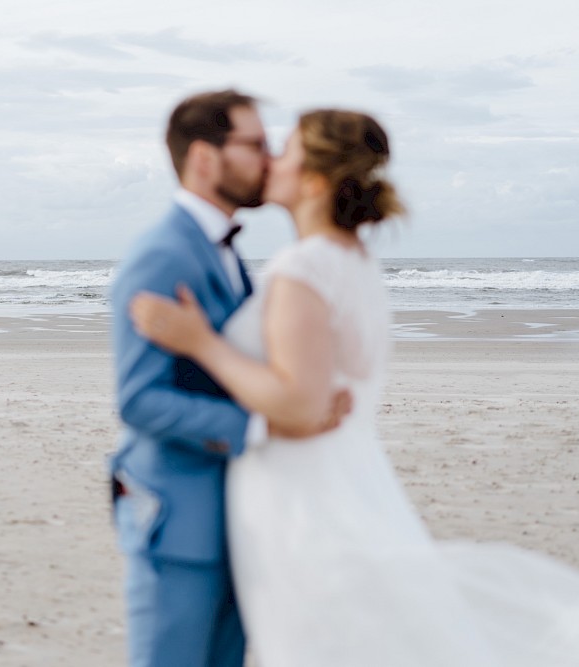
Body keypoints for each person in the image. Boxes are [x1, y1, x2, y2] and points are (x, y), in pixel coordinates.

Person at [129, 109, 579, 666]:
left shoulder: (301, 270)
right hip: (348, 477)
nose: (270, 159)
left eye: (284, 150)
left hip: (298, 495)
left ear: (315, 179)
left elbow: (299, 403)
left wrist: (203, 344)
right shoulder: (353, 262)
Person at [109, 91, 348, 667]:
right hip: (181, 523)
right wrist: (263, 425)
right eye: (256, 144)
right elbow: (139, 401)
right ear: (205, 158)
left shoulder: (223, 250)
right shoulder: (162, 255)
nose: (269, 159)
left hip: (238, 516)